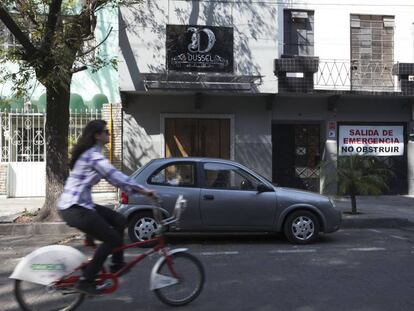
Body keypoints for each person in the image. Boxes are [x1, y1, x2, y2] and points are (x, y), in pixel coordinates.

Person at [57, 120, 155, 295]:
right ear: (97, 135)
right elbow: (115, 175)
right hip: (74, 208)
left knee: (120, 219)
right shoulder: (94, 156)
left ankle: (117, 264)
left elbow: (111, 179)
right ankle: (85, 281)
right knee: (112, 239)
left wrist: (134, 190)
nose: (109, 134)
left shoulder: (94, 153)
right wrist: (143, 190)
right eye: (106, 131)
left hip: (82, 205)